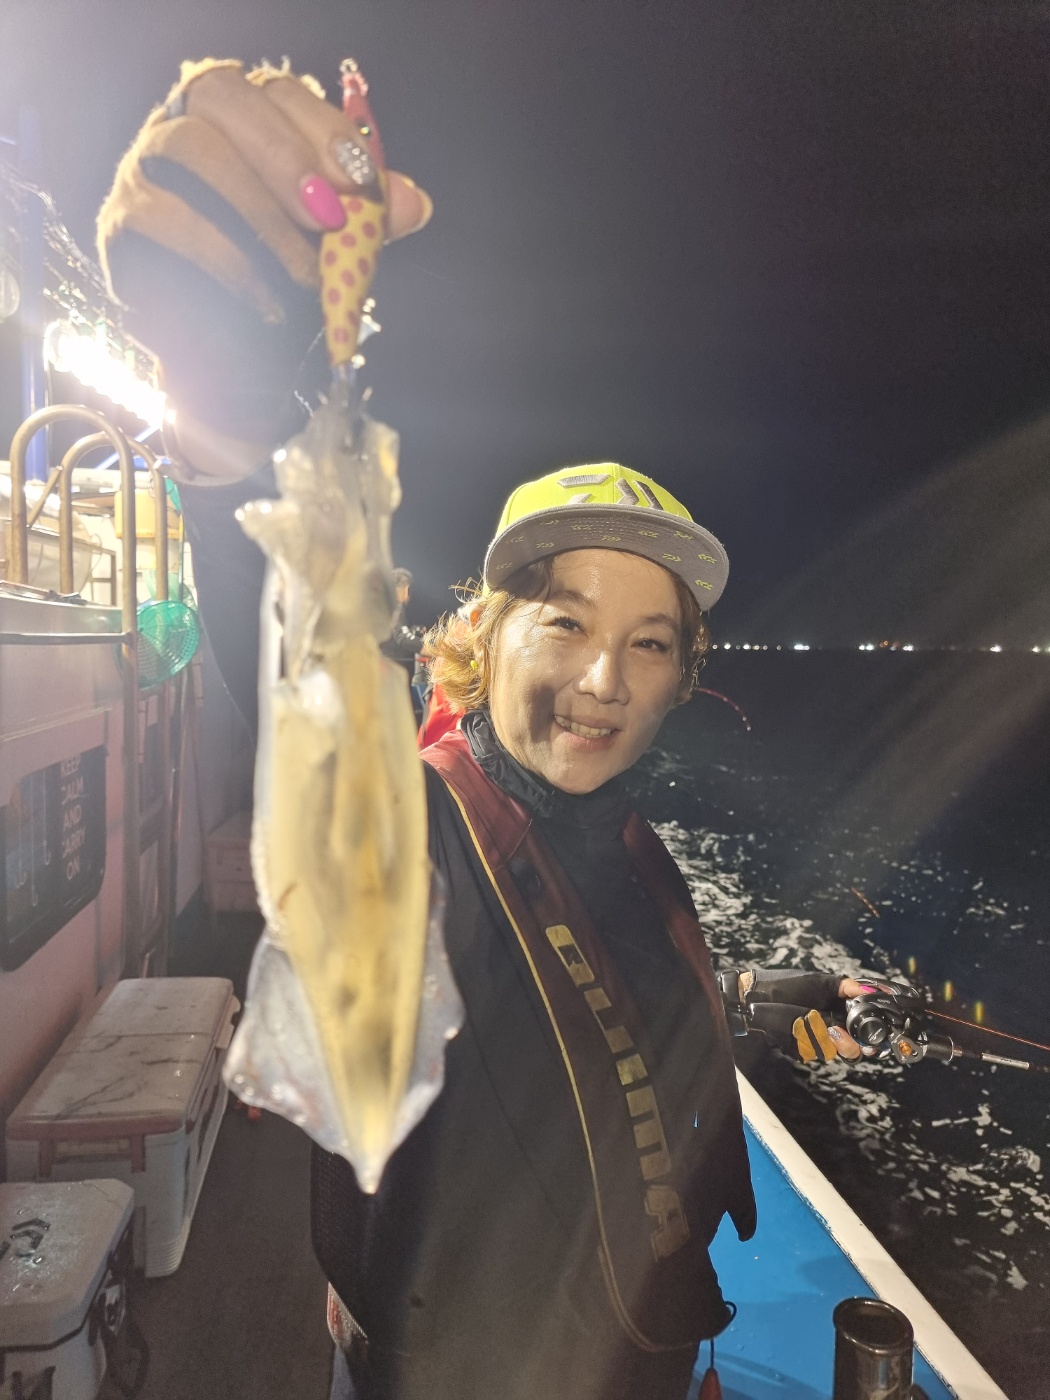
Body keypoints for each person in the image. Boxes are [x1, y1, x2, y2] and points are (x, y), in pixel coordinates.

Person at [97, 58, 873, 1400]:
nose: (604, 681)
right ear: (481, 633)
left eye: (650, 643)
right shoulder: (412, 835)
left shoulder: (618, 839)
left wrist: (755, 998)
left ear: (682, 676)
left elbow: (590, 996)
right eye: (563, 621)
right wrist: (233, 406)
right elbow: (301, 651)